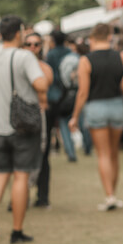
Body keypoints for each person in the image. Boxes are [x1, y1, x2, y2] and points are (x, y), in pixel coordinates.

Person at [0, 16, 48, 243]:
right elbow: (41, 84)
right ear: (18, 33)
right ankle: (16, 231)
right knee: (21, 176)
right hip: (21, 127)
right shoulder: (24, 56)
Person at [69, 22, 123, 211]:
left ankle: (109, 196)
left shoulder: (85, 60)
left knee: (103, 154)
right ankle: (114, 193)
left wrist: (75, 116)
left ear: (92, 38)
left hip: (96, 107)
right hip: (117, 105)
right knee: (114, 154)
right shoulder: (121, 55)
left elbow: (82, 92)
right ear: (109, 37)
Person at [23, 32, 53, 208]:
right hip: (20, 116)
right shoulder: (18, 64)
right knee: (21, 156)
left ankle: (42, 197)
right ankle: (21, 195)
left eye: (36, 44)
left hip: (40, 115)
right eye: (29, 44)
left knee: (43, 156)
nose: (32, 47)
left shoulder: (44, 68)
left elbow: (44, 87)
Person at [45, 30, 76, 163]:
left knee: (55, 124)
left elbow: (50, 74)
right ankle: (70, 150)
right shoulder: (70, 53)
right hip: (68, 92)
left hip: (54, 94)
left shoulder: (51, 55)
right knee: (66, 122)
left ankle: (60, 147)